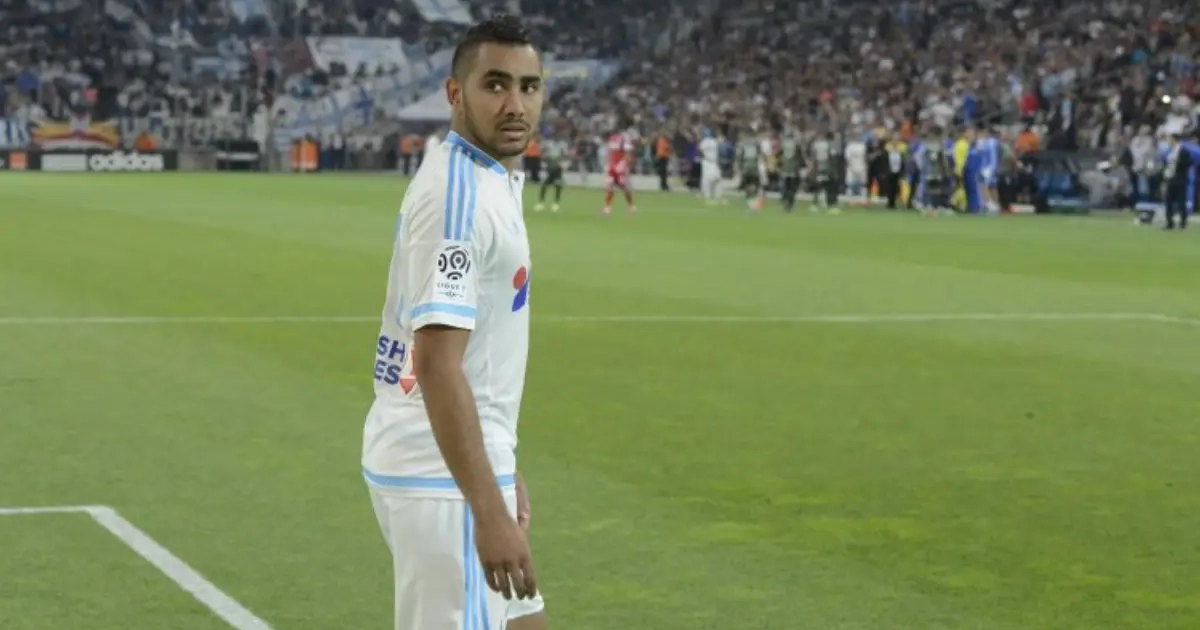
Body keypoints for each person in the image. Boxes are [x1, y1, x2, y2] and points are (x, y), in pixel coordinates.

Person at [362, 15, 548, 630]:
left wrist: (499, 461)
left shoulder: (488, 179)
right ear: (454, 93)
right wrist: (486, 507)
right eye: (495, 85)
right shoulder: (456, 198)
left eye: (528, 86)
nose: (515, 104)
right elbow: (437, 363)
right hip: (439, 481)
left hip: (462, 465)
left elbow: (477, 355)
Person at [602, 125, 636, 215]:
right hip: (612, 167)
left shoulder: (623, 138)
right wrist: (608, 165)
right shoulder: (611, 139)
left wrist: (624, 164)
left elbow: (629, 152)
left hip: (620, 166)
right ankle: (607, 208)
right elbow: (611, 153)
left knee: (624, 187)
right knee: (610, 187)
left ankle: (631, 207)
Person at [535, 131, 568, 212]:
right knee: (545, 185)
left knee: (557, 185)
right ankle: (541, 203)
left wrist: (563, 163)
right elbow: (544, 153)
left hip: (558, 167)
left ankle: (555, 203)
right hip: (550, 167)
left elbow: (565, 155)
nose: (556, 138)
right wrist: (545, 159)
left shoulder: (562, 145)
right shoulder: (549, 144)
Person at [698, 127, 724, 204]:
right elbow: (721, 141)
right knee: (715, 179)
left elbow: (700, 151)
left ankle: (708, 196)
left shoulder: (703, 142)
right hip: (712, 162)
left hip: (707, 161)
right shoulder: (713, 141)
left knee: (708, 180)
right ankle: (715, 196)